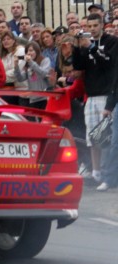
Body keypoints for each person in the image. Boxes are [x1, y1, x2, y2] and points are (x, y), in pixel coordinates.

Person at [73, 13, 118, 190]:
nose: (92, 29)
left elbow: (108, 62)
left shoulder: (112, 41)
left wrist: (91, 47)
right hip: (91, 95)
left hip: (107, 94)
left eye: (95, 26)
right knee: (93, 137)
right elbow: (78, 67)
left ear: (101, 25)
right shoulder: (86, 42)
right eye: (89, 26)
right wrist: (77, 48)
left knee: (107, 137)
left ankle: (107, 174)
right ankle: (96, 172)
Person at [14, 41, 51, 109]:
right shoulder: (29, 65)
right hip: (33, 99)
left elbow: (44, 74)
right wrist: (16, 66)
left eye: (31, 50)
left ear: (37, 51)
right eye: (27, 51)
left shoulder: (45, 60)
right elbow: (20, 78)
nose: (28, 53)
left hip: (44, 98)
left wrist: (31, 62)